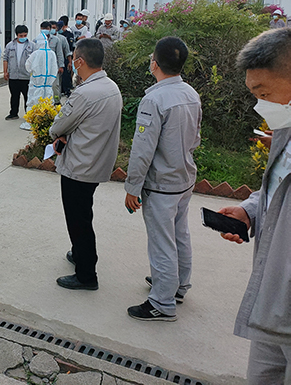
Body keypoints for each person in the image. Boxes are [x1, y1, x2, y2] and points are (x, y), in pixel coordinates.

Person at [219, 28, 291, 383]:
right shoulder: (286, 129)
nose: (260, 104)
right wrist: (249, 210)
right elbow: (276, 186)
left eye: (264, 93)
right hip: (272, 300)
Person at [124, 37, 202, 322]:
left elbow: (142, 150)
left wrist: (132, 187)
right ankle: (178, 285)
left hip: (162, 184)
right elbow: (196, 138)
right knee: (180, 234)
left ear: (155, 64)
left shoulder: (154, 100)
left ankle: (162, 302)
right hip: (184, 178)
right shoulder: (191, 93)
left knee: (162, 243)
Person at [50, 38, 122, 290]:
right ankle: (80, 254)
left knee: (78, 220)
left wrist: (59, 134)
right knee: (83, 213)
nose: (72, 64)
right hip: (97, 162)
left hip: (79, 166)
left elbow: (58, 125)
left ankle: (86, 274)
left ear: (80, 61)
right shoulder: (111, 86)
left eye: (73, 59)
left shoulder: (84, 93)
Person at [20, 34, 58, 131]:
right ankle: (46, 122)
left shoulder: (36, 54)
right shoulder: (52, 54)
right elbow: (55, 68)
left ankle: (33, 122)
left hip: (36, 84)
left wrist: (33, 73)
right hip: (48, 84)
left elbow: (28, 65)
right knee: (47, 103)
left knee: (34, 102)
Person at [3, 25, 35, 120]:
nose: (23, 37)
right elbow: (5, 59)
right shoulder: (10, 45)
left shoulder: (32, 46)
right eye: (21, 36)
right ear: (17, 35)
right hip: (13, 75)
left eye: (25, 35)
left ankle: (28, 114)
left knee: (27, 96)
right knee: (14, 96)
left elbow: (35, 60)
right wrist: (5, 72)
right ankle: (13, 113)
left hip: (26, 76)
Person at [58, 17, 75, 97]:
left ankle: (67, 90)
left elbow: (70, 48)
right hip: (58, 57)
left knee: (66, 75)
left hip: (66, 57)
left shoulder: (68, 34)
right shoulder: (56, 36)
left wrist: (70, 60)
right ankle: (61, 90)